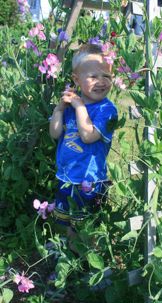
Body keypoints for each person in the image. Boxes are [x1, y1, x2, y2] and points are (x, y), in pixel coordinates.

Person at [49, 44, 117, 246]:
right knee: (70, 222)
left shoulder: (107, 109)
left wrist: (78, 106)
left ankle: (89, 262)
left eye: (107, 76)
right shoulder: (71, 106)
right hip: (67, 176)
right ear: (77, 80)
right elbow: (54, 133)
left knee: (88, 225)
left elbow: (88, 136)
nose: (101, 82)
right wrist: (59, 110)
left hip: (90, 180)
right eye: (93, 77)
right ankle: (71, 251)